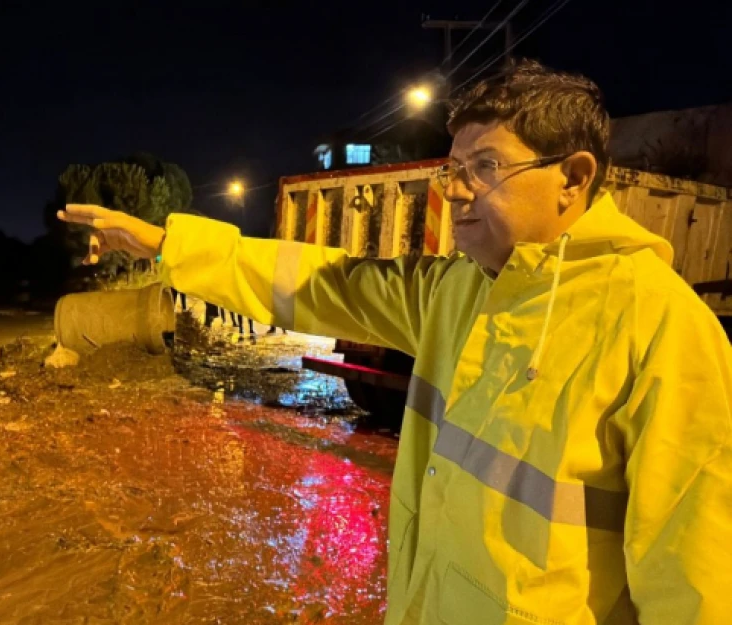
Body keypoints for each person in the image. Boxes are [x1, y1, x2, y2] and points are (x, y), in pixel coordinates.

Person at [58, 59, 732, 624]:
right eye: (456, 166)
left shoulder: (662, 329)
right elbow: (316, 280)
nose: (458, 189)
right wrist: (167, 241)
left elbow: (697, 585)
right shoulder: (457, 291)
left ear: (574, 177)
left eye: (487, 165)